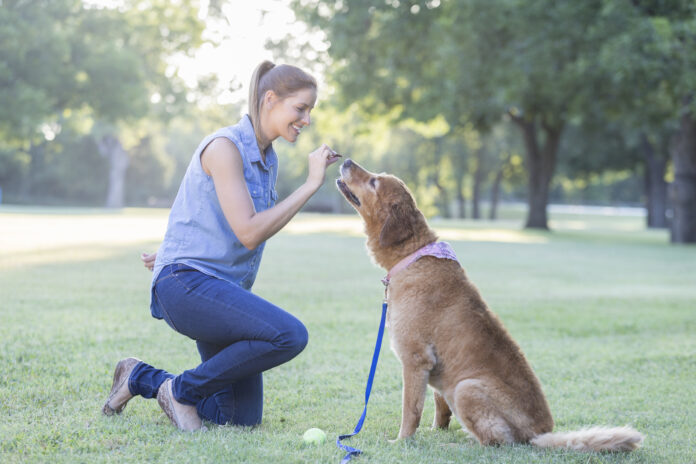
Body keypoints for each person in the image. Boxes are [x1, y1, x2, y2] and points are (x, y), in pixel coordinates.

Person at [102, 61, 341, 431]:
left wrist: (171, 248)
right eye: (301, 108)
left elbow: (209, 212)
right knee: (290, 335)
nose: (306, 119)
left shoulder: (266, 160)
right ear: (270, 99)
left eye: (310, 111)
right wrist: (310, 185)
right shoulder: (224, 147)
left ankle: (140, 378)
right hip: (187, 286)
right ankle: (181, 392)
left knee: (237, 418)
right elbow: (248, 231)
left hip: (215, 288)